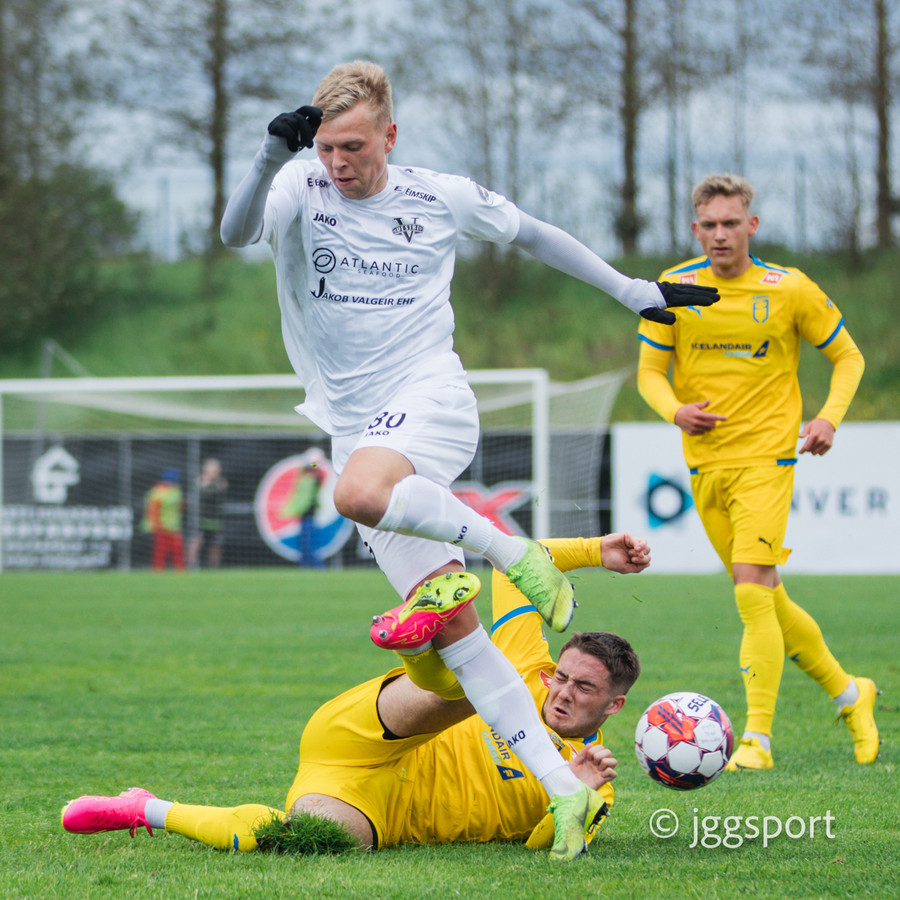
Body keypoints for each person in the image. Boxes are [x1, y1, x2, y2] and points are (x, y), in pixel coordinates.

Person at [219, 59, 715, 853]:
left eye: (354, 147)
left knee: (357, 495)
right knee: (456, 631)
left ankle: (512, 552)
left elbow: (535, 235)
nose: (338, 162)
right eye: (328, 148)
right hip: (354, 425)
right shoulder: (298, 185)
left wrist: (632, 292)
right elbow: (235, 232)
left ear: (389, 135)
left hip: (429, 398)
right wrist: (271, 155)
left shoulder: (438, 195)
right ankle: (564, 792)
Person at [62, 534, 646, 859]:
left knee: (301, 841)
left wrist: (581, 790)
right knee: (492, 683)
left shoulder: (597, 779)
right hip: (368, 733)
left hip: (368, 805)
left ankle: (142, 808)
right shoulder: (529, 665)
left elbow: (548, 848)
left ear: (613, 706)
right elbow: (517, 560)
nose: (560, 691)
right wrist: (598, 550)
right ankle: (416, 647)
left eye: (583, 688)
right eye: (561, 676)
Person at [636, 173, 880, 771]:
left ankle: (757, 740)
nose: (721, 234)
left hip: (768, 459)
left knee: (750, 589)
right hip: (705, 465)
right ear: (695, 229)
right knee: (767, 595)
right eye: (709, 225)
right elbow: (648, 373)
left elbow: (848, 356)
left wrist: (829, 418)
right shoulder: (674, 289)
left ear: (752, 225)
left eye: (731, 223)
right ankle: (852, 694)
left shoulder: (788, 288)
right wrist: (675, 411)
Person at [279, 460, 325, 567]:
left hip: (309, 517)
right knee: (306, 544)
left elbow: (318, 467)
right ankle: (307, 565)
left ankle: (316, 566)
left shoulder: (312, 481)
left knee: (309, 543)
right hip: (305, 517)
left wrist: (313, 464)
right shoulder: (305, 481)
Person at [142, 467, 186, 572]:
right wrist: (156, 524)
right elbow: (153, 510)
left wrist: (184, 504)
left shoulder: (176, 491)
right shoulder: (157, 492)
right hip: (161, 526)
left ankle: (180, 571)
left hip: (174, 526)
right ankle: (158, 571)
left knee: (177, 549)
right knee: (161, 551)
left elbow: (178, 507)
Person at [187, 458, 228, 569]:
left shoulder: (221, 484)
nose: (214, 473)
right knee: (196, 540)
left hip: (215, 520)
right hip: (201, 519)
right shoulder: (198, 482)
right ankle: (192, 565)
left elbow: (212, 493)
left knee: (216, 545)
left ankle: (214, 567)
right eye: (211, 471)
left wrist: (206, 485)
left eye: (216, 471)